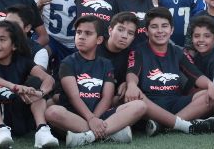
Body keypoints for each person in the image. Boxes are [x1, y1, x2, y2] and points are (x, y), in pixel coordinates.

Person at [45, 15, 146, 146]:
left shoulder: (106, 64)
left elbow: (107, 98)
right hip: (75, 114)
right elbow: (73, 96)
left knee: (140, 105)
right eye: (79, 32)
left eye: (88, 33)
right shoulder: (68, 62)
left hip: (100, 114)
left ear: (99, 39)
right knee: (52, 111)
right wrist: (91, 119)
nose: (81, 36)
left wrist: (95, 118)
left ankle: (87, 136)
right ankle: (112, 133)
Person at [124, 7, 214, 137]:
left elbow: (196, 75)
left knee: (208, 95)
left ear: (172, 30)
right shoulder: (138, 51)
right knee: (135, 94)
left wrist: (210, 85)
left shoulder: (178, 52)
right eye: (154, 27)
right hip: (150, 104)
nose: (160, 31)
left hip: (175, 103)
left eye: (164, 26)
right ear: (146, 31)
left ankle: (163, 126)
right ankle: (182, 125)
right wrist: (131, 85)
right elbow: (132, 72)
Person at [0, 21, 58, 149]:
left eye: (2, 40)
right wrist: (13, 86)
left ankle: (42, 130)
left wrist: (40, 93)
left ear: (14, 45)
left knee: (36, 82)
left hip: (15, 117)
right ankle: (1, 130)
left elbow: (49, 80)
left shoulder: (23, 61)